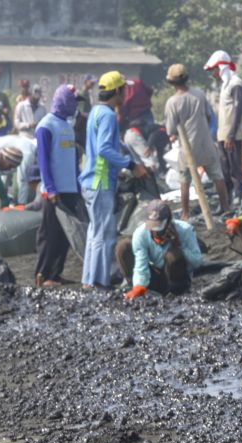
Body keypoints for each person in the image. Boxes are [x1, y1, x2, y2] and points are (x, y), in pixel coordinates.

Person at [79, 71, 149, 289]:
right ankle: (99, 282)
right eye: (124, 90)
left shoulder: (95, 112)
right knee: (105, 234)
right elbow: (104, 149)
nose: (125, 94)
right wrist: (131, 165)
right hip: (100, 181)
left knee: (94, 233)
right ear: (117, 91)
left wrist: (115, 169)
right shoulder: (108, 115)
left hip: (93, 178)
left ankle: (88, 281)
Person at [33, 84, 88, 286]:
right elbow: (44, 161)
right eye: (74, 101)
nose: (76, 106)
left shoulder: (66, 125)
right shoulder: (46, 126)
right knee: (49, 234)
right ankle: (42, 274)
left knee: (66, 234)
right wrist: (50, 188)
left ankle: (55, 274)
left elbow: (71, 160)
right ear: (64, 101)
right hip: (53, 191)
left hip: (70, 188)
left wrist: (77, 183)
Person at [163, 63, 230, 219]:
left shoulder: (172, 102)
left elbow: (171, 130)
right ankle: (226, 208)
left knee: (184, 180)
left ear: (172, 82)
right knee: (217, 176)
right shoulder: (199, 94)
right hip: (206, 144)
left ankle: (185, 214)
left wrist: (174, 134)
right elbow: (208, 116)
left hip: (187, 149)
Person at [118, 200, 200, 299]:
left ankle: (176, 294)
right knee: (122, 247)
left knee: (173, 255)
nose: (156, 233)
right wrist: (138, 286)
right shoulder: (141, 234)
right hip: (156, 277)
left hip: (178, 280)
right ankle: (135, 289)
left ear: (168, 222)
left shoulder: (185, 230)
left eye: (159, 228)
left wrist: (179, 246)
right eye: (152, 227)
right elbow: (141, 264)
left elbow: (197, 262)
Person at [205, 50, 242, 202]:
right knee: (225, 171)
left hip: (235, 137)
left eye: (214, 70)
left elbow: (238, 110)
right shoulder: (225, 85)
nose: (212, 74)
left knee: (238, 172)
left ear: (221, 68)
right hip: (223, 136)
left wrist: (231, 134)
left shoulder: (236, 83)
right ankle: (227, 203)